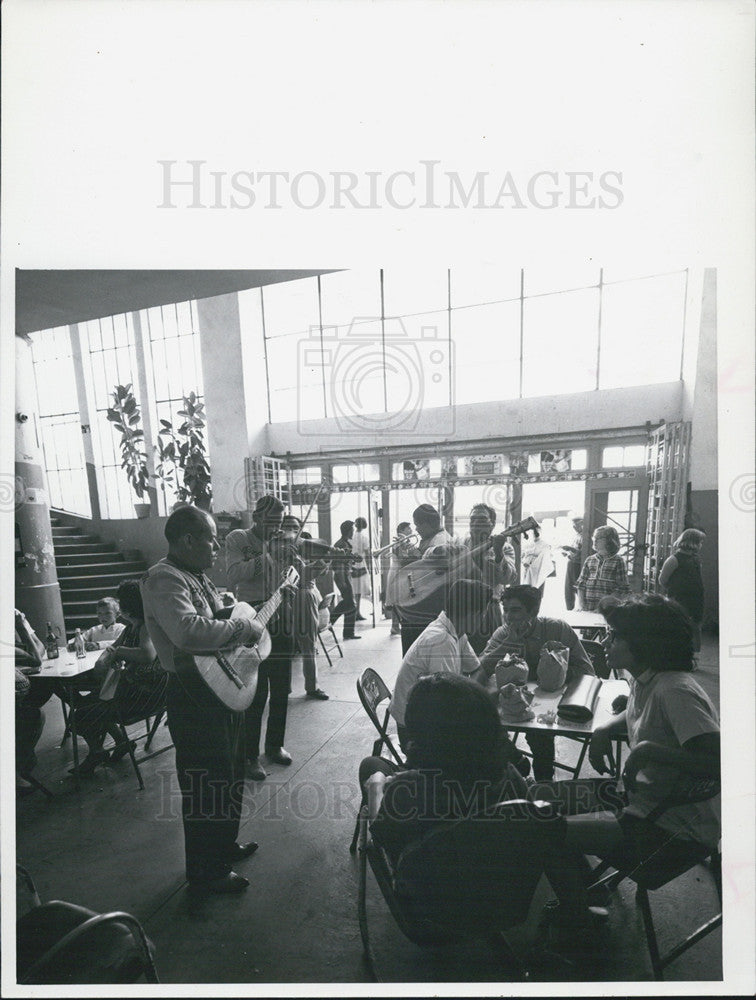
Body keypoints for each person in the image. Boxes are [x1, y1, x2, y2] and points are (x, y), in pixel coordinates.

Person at [532, 594, 720, 950]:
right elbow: (640, 712)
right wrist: (606, 729)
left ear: (644, 643)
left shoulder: (675, 689)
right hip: (641, 801)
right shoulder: (646, 679)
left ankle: (581, 914)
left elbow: (720, 762)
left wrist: (649, 750)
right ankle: (587, 890)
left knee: (543, 830)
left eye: (614, 635)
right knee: (537, 800)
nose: (605, 642)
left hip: (671, 830)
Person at [360, 674, 602, 938]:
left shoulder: (407, 791)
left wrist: (376, 785)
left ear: (421, 733)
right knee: (545, 820)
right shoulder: (509, 777)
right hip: (506, 897)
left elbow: (381, 833)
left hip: (432, 904)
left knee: (373, 765)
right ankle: (581, 914)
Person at [142, 505, 263, 894]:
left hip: (218, 688)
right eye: (211, 539)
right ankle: (206, 871)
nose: (216, 548)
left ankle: (223, 846)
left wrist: (237, 618)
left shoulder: (195, 575)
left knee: (228, 775)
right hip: (192, 695)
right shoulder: (164, 578)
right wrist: (241, 626)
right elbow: (188, 631)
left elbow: (217, 617)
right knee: (204, 784)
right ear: (188, 540)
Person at [473, 584, 594, 781]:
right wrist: (507, 644)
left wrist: (555, 672)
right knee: (484, 725)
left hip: (552, 702)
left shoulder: (557, 628)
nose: (509, 617)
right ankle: (515, 762)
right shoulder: (503, 633)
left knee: (541, 735)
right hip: (518, 703)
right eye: (506, 610)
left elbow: (587, 672)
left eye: (516, 610)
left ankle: (544, 784)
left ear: (534, 611)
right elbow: (480, 670)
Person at [226, 495, 300, 780]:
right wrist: (268, 554)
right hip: (252, 621)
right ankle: (248, 756)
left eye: (280, 523)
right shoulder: (237, 538)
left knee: (282, 689)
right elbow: (233, 575)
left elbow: (292, 574)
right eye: (271, 523)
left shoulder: (284, 542)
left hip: (281, 618)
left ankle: (274, 746)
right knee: (256, 694)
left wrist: (292, 581)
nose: (276, 529)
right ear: (256, 517)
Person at [72, 580, 169, 776]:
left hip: (147, 695)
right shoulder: (130, 628)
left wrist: (118, 652)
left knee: (79, 715)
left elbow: (147, 654)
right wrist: (110, 654)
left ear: (127, 609)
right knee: (87, 703)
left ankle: (98, 752)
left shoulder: (145, 627)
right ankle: (118, 743)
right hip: (136, 690)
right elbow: (111, 649)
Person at [389, 579, 493, 748]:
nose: (484, 619)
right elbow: (447, 706)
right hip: (414, 733)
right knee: (488, 735)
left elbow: (477, 670)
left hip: (429, 718)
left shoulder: (456, 631)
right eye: (483, 614)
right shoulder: (441, 640)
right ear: (474, 614)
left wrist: (470, 693)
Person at [394, 503, 465, 655]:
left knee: (415, 650)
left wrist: (412, 555)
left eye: (418, 525)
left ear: (427, 524)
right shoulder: (432, 538)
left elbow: (430, 574)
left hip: (427, 606)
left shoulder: (440, 541)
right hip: (423, 602)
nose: (417, 530)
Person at [281, 515, 329, 700]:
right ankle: (283, 687)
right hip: (281, 596)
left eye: (295, 527)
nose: (292, 530)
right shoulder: (276, 548)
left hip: (304, 594)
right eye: (287, 526)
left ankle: (312, 687)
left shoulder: (304, 546)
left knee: (308, 643)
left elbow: (308, 575)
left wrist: (322, 561)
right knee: (284, 646)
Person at [14, 610, 53, 794]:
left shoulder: (14, 613)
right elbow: (36, 659)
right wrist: (20, 627)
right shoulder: (16, 619)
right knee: (33, 716)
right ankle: (15, 770)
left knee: (49, 684)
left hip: (19, 684)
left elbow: (40, 647)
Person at [659, 528, 706, 651]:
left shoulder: (696, 559)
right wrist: (675, 591)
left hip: (695, 599)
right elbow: (663, 579)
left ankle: (695, 655)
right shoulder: (674, 559)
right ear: (692, 543)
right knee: (678, 625)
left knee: (696, 626)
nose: (701, 545)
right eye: (700, 542)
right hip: (679, 598)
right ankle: (678, 652)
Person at [576, 524, 630, 611]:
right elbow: (581, 585)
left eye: (599, 538)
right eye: (594, 538)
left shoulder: (618, 561)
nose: (595, 541)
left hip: (609, 610)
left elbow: (622, 589)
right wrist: (581, 605)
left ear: (610, 541)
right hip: (588, 608)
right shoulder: (589, 560)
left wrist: (605, 606)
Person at [330, 520, 360, 641]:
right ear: (348, 531)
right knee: (350, 603)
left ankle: (347, 631)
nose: (353, 532)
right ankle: (328, 621)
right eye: (352, 530)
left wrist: (352, 561)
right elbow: (338, 564)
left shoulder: (344, 543)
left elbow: (345, 561)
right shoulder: (342, 544)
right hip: (342, 576)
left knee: (349, 603)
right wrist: (342, 581)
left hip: (345, 575)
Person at [385, 521, 413, 636]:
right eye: (408, 529)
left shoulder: (403, 541)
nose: (411, 531)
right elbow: (402, 558)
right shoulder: (399, 541)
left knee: (398, 599)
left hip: (399, 570)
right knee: (397, 600)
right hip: (397, 570)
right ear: (402, 530)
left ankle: (396, 626)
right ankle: (395, 626)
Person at [560, 515, 584, 611]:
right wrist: (567, 553)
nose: (574, 528)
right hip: (571, 562)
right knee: (568, 588)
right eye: (573, 526)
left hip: (577, 565)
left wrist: (570, 549)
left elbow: (583, 552)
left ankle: (582, 606)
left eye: (576, 526)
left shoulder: (584, 536)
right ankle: (569, 608)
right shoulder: (576, 536)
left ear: (582, 524)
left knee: (577, 587)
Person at [350, 516, 371, 621]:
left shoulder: (352, 536)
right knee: (360, 591)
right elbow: (367, 553)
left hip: (352, 565)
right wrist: (370, 566)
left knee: (355, 591)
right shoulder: (364, 537)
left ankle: (356, 612)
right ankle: (357, 612)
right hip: (361, 564)